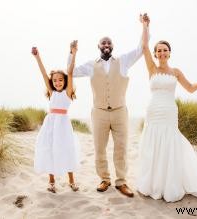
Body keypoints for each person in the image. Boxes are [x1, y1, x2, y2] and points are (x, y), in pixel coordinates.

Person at [67, 15, 149, 197]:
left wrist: (145, 26)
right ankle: (104, 179)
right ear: (98, 46)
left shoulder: (123, 61)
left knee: (121, 148)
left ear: (112, 47)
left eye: (109, 43)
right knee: (99, 148)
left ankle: (121, 182)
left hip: (120, 112)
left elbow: (141, 49)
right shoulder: (90, 65)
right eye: (103, 43)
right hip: (99, 113)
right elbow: (70, 71)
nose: (106, 45)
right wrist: (72, 53)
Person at [137, 13, 197, 202]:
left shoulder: (176, 72)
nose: (162, 53)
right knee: (153, 143)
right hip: (154, 110)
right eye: (159, 51)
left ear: (169, 53)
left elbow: (190, 88)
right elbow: (145, 46)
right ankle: (154, 183)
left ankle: (171, 182)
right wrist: (145, 26)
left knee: (170, 142)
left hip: (169, 111)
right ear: (155, 54)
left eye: (165, 50)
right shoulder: (152, 69)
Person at [31, 42, 80, 193]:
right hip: (50, 124)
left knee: (66, 150)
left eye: (60, 80)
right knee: (51, 150)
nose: (57, 82)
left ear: (65, 81)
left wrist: (73, 53)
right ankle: (51, 182)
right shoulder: (52, 93)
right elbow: (44, 73)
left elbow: (70, 73)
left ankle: (71, 180)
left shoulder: (67, 93)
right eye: (55, 80)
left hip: (63, 125)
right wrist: (37, 57)